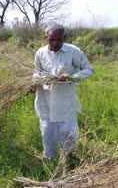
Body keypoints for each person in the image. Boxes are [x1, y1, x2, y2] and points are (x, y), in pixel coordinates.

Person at [28, 24, 95, 162]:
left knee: (68, 132)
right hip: (45, 100)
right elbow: (36, 72)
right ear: (46, 38)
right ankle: (50, 159)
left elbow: (89, 69)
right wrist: (34, 83)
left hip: (64, 100)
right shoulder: (40, 53)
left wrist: (72, 77)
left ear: (64, 38)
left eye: (59, 39)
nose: (55, 43)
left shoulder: (73, 51)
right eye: (51, 40)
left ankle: (69, 160)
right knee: (47, 132)